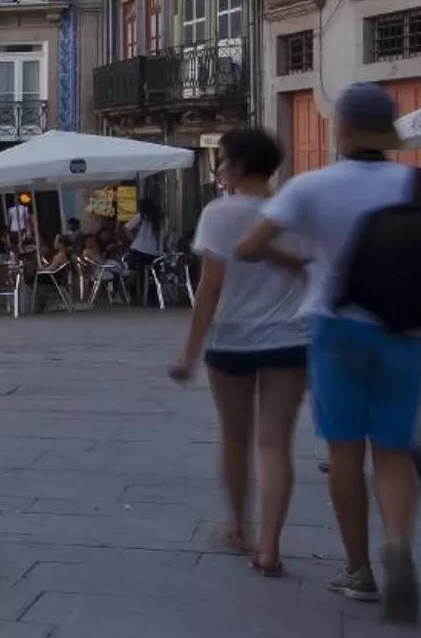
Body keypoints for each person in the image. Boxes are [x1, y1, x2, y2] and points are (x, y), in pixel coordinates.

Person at [236, 83, 421, 623]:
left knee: (345, 452)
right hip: (408, 331)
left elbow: (249, 246)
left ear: (342, 129)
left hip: (337, 326)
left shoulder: (314, 186)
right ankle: (397, 545)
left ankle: (358, 569)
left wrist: (300, 264)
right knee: (393, 451)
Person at [169, 126, 311, 576]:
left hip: (232, 340)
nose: (219, 170)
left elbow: (210, 288)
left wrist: (189, 354)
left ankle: (237, 526)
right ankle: (269, 547)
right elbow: (311, 271)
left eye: (223, 161)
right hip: (289, 338)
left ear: (242, 165)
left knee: (234, 436)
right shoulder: (294, 212)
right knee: (276, 443)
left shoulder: (220, 213)